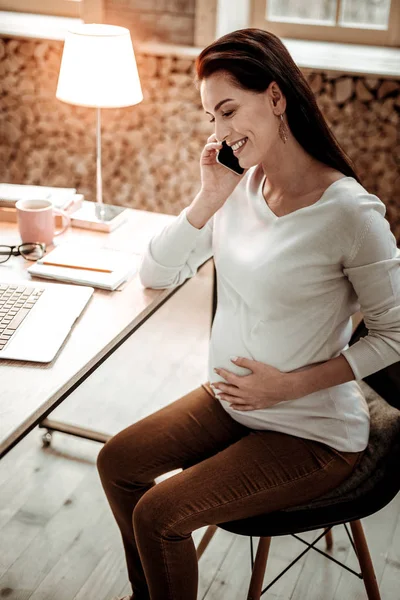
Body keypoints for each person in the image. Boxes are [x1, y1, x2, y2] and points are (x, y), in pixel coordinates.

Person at [97, 28, 400, 600]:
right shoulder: (240, 186)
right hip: (231, 401)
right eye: (211, 117)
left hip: (312, 432)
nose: (221, 131)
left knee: (159, 515)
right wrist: (209, 195)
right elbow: (156, 273)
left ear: (277, 97)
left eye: (230, 110)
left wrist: (287, 387)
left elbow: (395, 335)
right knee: (118, 464)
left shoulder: (351, 214)